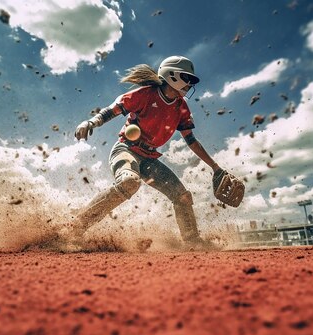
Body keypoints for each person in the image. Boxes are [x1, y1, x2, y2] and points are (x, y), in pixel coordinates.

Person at [71, 55, 232, 249]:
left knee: (183, 197)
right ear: (172, 75)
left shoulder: (181, 108)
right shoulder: (146, 94)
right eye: (186, 78)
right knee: (129, 181)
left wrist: (215, 167)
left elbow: (191, 140)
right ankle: (76, 227)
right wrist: (91, 122)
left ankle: (192, 242)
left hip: (149, 159)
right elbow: (113, 109)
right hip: (126, 149)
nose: (189, 84)